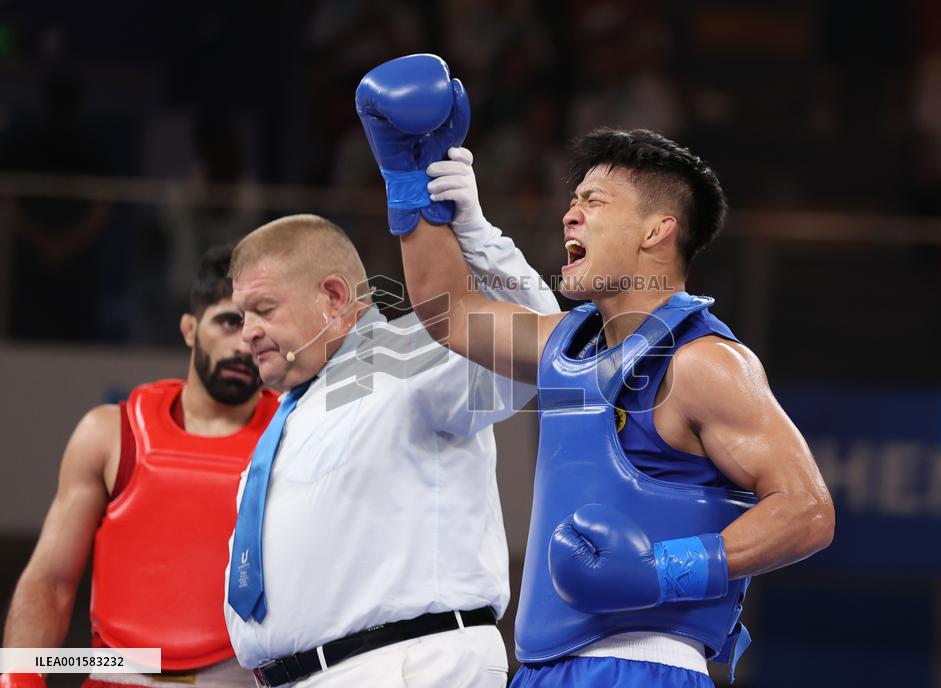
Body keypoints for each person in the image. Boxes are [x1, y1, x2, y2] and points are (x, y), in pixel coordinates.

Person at [395, 119, 836, 685]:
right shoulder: (566, 345)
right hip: (538, 667)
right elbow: (447, 310)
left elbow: (808, 510)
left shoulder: (704, 362)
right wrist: (408, 178)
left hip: (645, 666)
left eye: (593, 202)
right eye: (572, 201)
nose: (569, 215)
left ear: (656, 231)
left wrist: (664, 571)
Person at [220, 68, 560, 687]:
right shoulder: (294, 412)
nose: (246, 332)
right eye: (240, 315)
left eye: (263, 311)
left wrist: (475, 235)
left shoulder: (404, 354)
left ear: (331, 297)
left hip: (406, 664)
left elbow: (542, 347)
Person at [1, 245, 278, 688]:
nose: (242, 343)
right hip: (118, 673)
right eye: (228, 321)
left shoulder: (294, 439)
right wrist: (18, 680)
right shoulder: (110, 433)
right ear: (190, 329)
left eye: (255, 326)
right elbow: (50, 582)